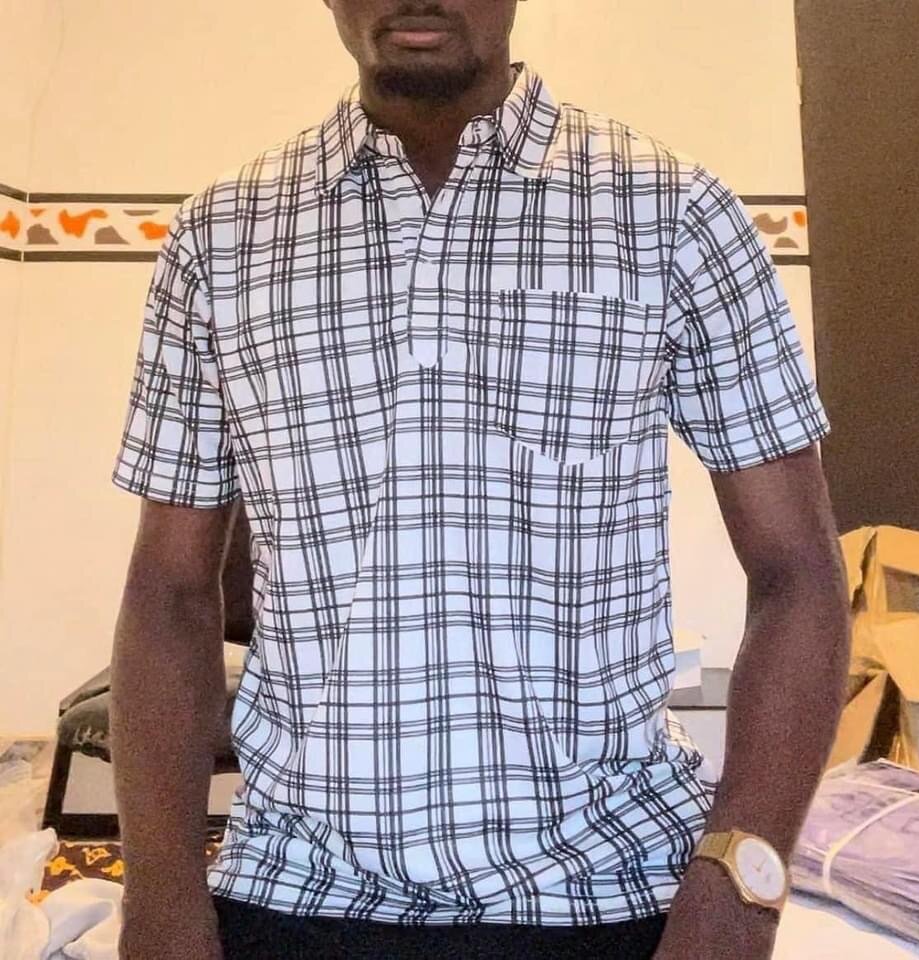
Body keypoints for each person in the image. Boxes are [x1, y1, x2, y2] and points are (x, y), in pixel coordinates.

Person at [109, 1, 850, 958]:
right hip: (293, 894)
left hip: (608, 898)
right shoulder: (221, 238)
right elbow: (168, 594)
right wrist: (158, 899)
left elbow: (798, 574)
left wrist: (739, 889)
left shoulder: (672, 213)